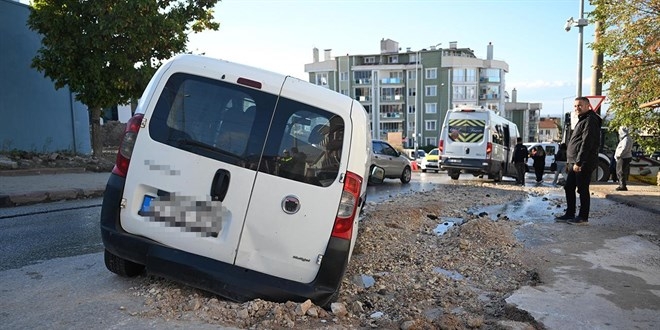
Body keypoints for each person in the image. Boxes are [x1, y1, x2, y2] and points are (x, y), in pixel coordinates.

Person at [555, 97, 602, 225]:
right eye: (575, 106)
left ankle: (582, 217)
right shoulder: (583, 119)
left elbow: (587, 143)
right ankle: (570, 213)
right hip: (574, 161)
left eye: (580, 105)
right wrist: (570, 161)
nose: (577, 108)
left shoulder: (590, 120)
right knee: (569, 187)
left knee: (582, 189)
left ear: (588, 106)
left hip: (583, 162)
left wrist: (579, 162)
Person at [614, 126, 633, 191]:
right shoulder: (626, 138)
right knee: (620, 171)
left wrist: (619, 155)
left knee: (620, 171)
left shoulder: (626, 139)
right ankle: (621, 184)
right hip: (624, 157)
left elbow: (624, 149)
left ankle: (622, 186)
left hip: (623, 157)